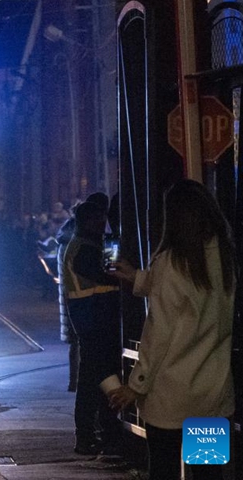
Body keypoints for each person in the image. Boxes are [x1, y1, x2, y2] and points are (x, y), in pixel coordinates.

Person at [108, 179, 235, 479]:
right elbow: (193, 298)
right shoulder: (224, 258)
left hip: (170, 400)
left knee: (164, 469)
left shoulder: (171, 262)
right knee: (208, 473)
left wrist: (135, 385)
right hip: (212, 396)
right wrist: (140, 278)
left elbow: (159, 333)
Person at [62, 199, 122, 455]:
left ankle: (101, 432)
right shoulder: (84, 249)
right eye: (97, 218)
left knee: (96, 377)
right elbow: (109, 274)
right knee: (92, 380)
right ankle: (88, 435)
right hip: (93, 320)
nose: (102, 223)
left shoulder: (88, 245)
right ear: (86, 221)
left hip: (94, 320)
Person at [56, 192, 109, 392]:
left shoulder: (73, 240)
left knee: (83, 352)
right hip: (89, 307)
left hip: (80, 305)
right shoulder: (83, 245)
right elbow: (102, 276)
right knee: (90, 361)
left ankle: (77, 383)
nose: (104, 222)